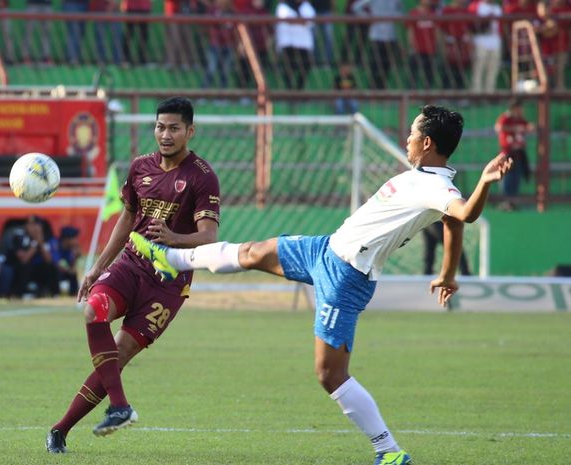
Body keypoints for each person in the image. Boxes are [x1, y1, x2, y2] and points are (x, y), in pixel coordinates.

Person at [130, 105, 513, 465]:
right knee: (253, 252)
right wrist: (447, 273)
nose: (407, 137)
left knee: (329, 374)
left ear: (427, 142)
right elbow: (452, 224)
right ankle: (171, 258)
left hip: (347, 276)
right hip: (326, 249)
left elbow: (463, 213)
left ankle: (390, 451)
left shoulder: (437, 187)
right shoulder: (421, 178)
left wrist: (484, 182)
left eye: (412, 132)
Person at [45, 97, 221, 453]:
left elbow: (209, 236)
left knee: (120, 353)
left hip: (170, 284)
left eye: (174, 128)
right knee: (93, 311)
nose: (165, 135)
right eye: (160, 127)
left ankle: (60, 430)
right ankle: (120, 406)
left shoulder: (202, 177)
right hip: (131, 265)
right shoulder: (140, 167)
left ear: (190, 131)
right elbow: (127, 218)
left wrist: (175, 238)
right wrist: (96, 267)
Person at [352, 0, 403, 89]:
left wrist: (395, 16)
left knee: (387, 65)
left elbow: (400, 11)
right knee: (375, 64)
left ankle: (382, 88)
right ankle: (373, 88)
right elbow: (356, 7)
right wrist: (368, 18)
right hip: (376, 36)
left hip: (391, 36)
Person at [5, 215, 60, 298]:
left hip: (37, 268)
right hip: (22, 268)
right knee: (24, 267)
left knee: (52, 267)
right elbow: (24, 259)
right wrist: (35, 243)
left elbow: (49, 260)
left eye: (37, 225)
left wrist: (41, 243)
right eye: (31, 225)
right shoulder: (19, 237)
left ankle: (54, 293)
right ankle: (21, 293)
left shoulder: (47, 238)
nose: (34, 228)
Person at [494, 98, 534, 210]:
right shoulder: (506, 118)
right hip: (507, 153)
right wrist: (515, 128)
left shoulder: (520, 119)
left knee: (516, 177)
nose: (522, 110)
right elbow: (499, 128)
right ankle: (506, 201)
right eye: (520, 108)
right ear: (514, 108)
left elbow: (529, 126)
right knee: (507, 177)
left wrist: (528, 127)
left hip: (518, 153)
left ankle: (513, 202)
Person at [275, 0, 316, 90]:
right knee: (288, 66)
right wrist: (300, 21)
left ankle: (299, 89)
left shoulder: (306, 5)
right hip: (288, 41)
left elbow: (309, 21)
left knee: (306, 65)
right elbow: (286, 20)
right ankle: (290, 89)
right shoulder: (284, 6)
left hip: (303, 42)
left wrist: (296, 21)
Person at [470, 0, 502, 92]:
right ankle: (476, 94)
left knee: (493, 69)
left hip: (495, 41)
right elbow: (471, 26)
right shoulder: (476, 6)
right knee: (478, 69)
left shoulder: (497, 7)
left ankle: (490, 93)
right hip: (481, 40)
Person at [57, 226, 81, 296]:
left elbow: (72, 269)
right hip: (54, 273)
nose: (76, 240)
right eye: (74, 238)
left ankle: (74, 294)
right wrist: (69, 270)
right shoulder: (56, 245)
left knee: (73, 274)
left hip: (65, 271)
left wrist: (75, 257)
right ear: (66, 239)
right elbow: (58, 264)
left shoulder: (70, 249)